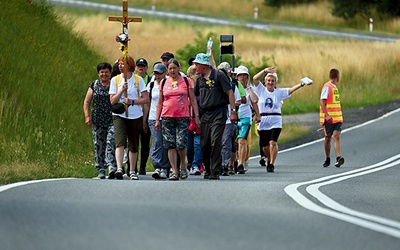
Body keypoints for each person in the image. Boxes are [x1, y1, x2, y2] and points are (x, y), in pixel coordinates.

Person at [252, 68, 312, 172]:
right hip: (263, 120)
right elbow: (255, 79)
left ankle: (271, 163)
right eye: (269, 81)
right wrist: (265, 71)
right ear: (265, 82)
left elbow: (291, 90)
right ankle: (269, 158)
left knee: (273, 142)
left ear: (275, 82)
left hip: (275, 120)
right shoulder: (261, 90)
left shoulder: (279, 92)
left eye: (273, 81)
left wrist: (301, 84)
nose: (270, 83)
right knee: (265, 147)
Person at [193, 53, 237, 180]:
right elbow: (195, 97)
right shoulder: (200, 79)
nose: (195, 67)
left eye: (197, 64)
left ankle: (215, 170)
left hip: (219, 112)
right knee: (204, 143)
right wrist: (196, 115)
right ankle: (207, 169)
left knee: (215, 141)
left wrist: (233, 111)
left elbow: (229, 92)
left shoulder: (218, 75)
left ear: (204, 65)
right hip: (205, 114)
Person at [155, 59, 200, 181]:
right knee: (170, 144)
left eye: (174, 68)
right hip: (167, 116)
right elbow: (160, 102)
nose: (172, 70)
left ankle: (182, 166)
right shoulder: (164, 82)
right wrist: (157, 119)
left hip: (182, 116)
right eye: (170, 69)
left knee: (181, 143)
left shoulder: (186, 81)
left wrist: (196, 116)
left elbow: (193, 100)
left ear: (179, 68)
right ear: (167, 70)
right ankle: (174, 170)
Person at [109, 55, 149, 180]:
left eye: (123, 64)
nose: (120, 66)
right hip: (119, 115)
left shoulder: (138, 80)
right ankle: (119, 168)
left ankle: (132, 170)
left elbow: (146, 98)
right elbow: (112, 101)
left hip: (135, 115)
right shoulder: (115, 80)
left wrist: (132, 101)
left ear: (129, 66)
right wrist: (121, 90)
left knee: (133, 143)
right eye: (119, 64)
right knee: (120, 142)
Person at [83, 62, 116, 179]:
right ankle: (101, 169)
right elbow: (87, 102)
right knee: (99, 144)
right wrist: (87, 116)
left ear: (110, 73)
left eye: (106, 72)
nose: (104, 74)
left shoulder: (114, 84)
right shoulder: (94, 85)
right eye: (102, 72)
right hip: (97, 120)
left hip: (112, 119)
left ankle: (112, 166)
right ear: (98, 73)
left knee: (111, 142)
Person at [235, 65, 260, 174]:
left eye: (244, 75)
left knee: (242, 141)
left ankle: (241, 162)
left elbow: (255, 101)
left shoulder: (250, 89)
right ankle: (234, 162)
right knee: (234, 141)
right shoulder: (233, 87)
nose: (242, 77)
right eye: (240, 75)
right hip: (235, 116)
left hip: (245, 117)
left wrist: (249, 88)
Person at [147, 63, 170, 179]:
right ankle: (157, 165)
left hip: (166, 116)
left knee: (166, 143)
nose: (157, 76)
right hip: (153, 117)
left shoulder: (169, 83)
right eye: (155, 73)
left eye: (159, 73)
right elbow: (148, 102)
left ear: (165, 73)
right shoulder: (151, 84)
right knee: (157, 142)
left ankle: (165, 167)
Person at [320, 68, 345, 168]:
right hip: (329, 119)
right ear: (337, 77)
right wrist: (327, 115)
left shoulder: (334, 87)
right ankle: (327, 158)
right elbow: (322, 101)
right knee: (328, 138)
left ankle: (338, 157)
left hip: (337, 118)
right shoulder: (327, 87)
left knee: (336, 136)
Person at [135, 58, 151, 175]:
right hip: (134, 114)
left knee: (145, 142)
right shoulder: (132, 79)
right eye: (139, 66)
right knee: (133, 141)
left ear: (146, 68)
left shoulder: (150, 80)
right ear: (136, 68)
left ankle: (142, 166)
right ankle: (132, 166)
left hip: (148, 114)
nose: (141, 68)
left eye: (143, 66)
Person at [186, 65, 203, 175]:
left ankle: (196, 165)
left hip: (199, 119)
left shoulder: (202, 88)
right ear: (190, 76)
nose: (198, 76)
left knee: (198, 143)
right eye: (196, 74)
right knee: (189, 145)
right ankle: (191, 163)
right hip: (187, 118)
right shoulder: (186, 88)